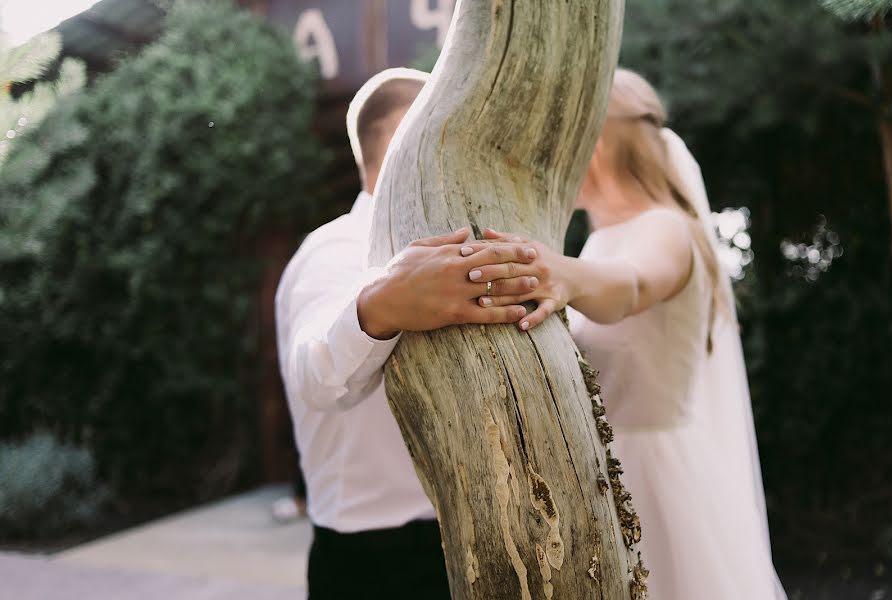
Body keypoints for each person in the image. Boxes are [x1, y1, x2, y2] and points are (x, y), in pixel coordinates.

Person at [466, 69, 787, 599]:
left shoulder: (667, 228)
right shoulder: (599, 241)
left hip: (657, 483)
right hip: (601, 478)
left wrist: (562, 275)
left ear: (592, 149)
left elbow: (632, 286)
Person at [275, 68, 542, 599]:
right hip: (375, 563)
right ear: (406, 138)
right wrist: (382, 304)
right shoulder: (336, 248)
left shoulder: (454, 245)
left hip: (468, 542)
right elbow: (317, 378)